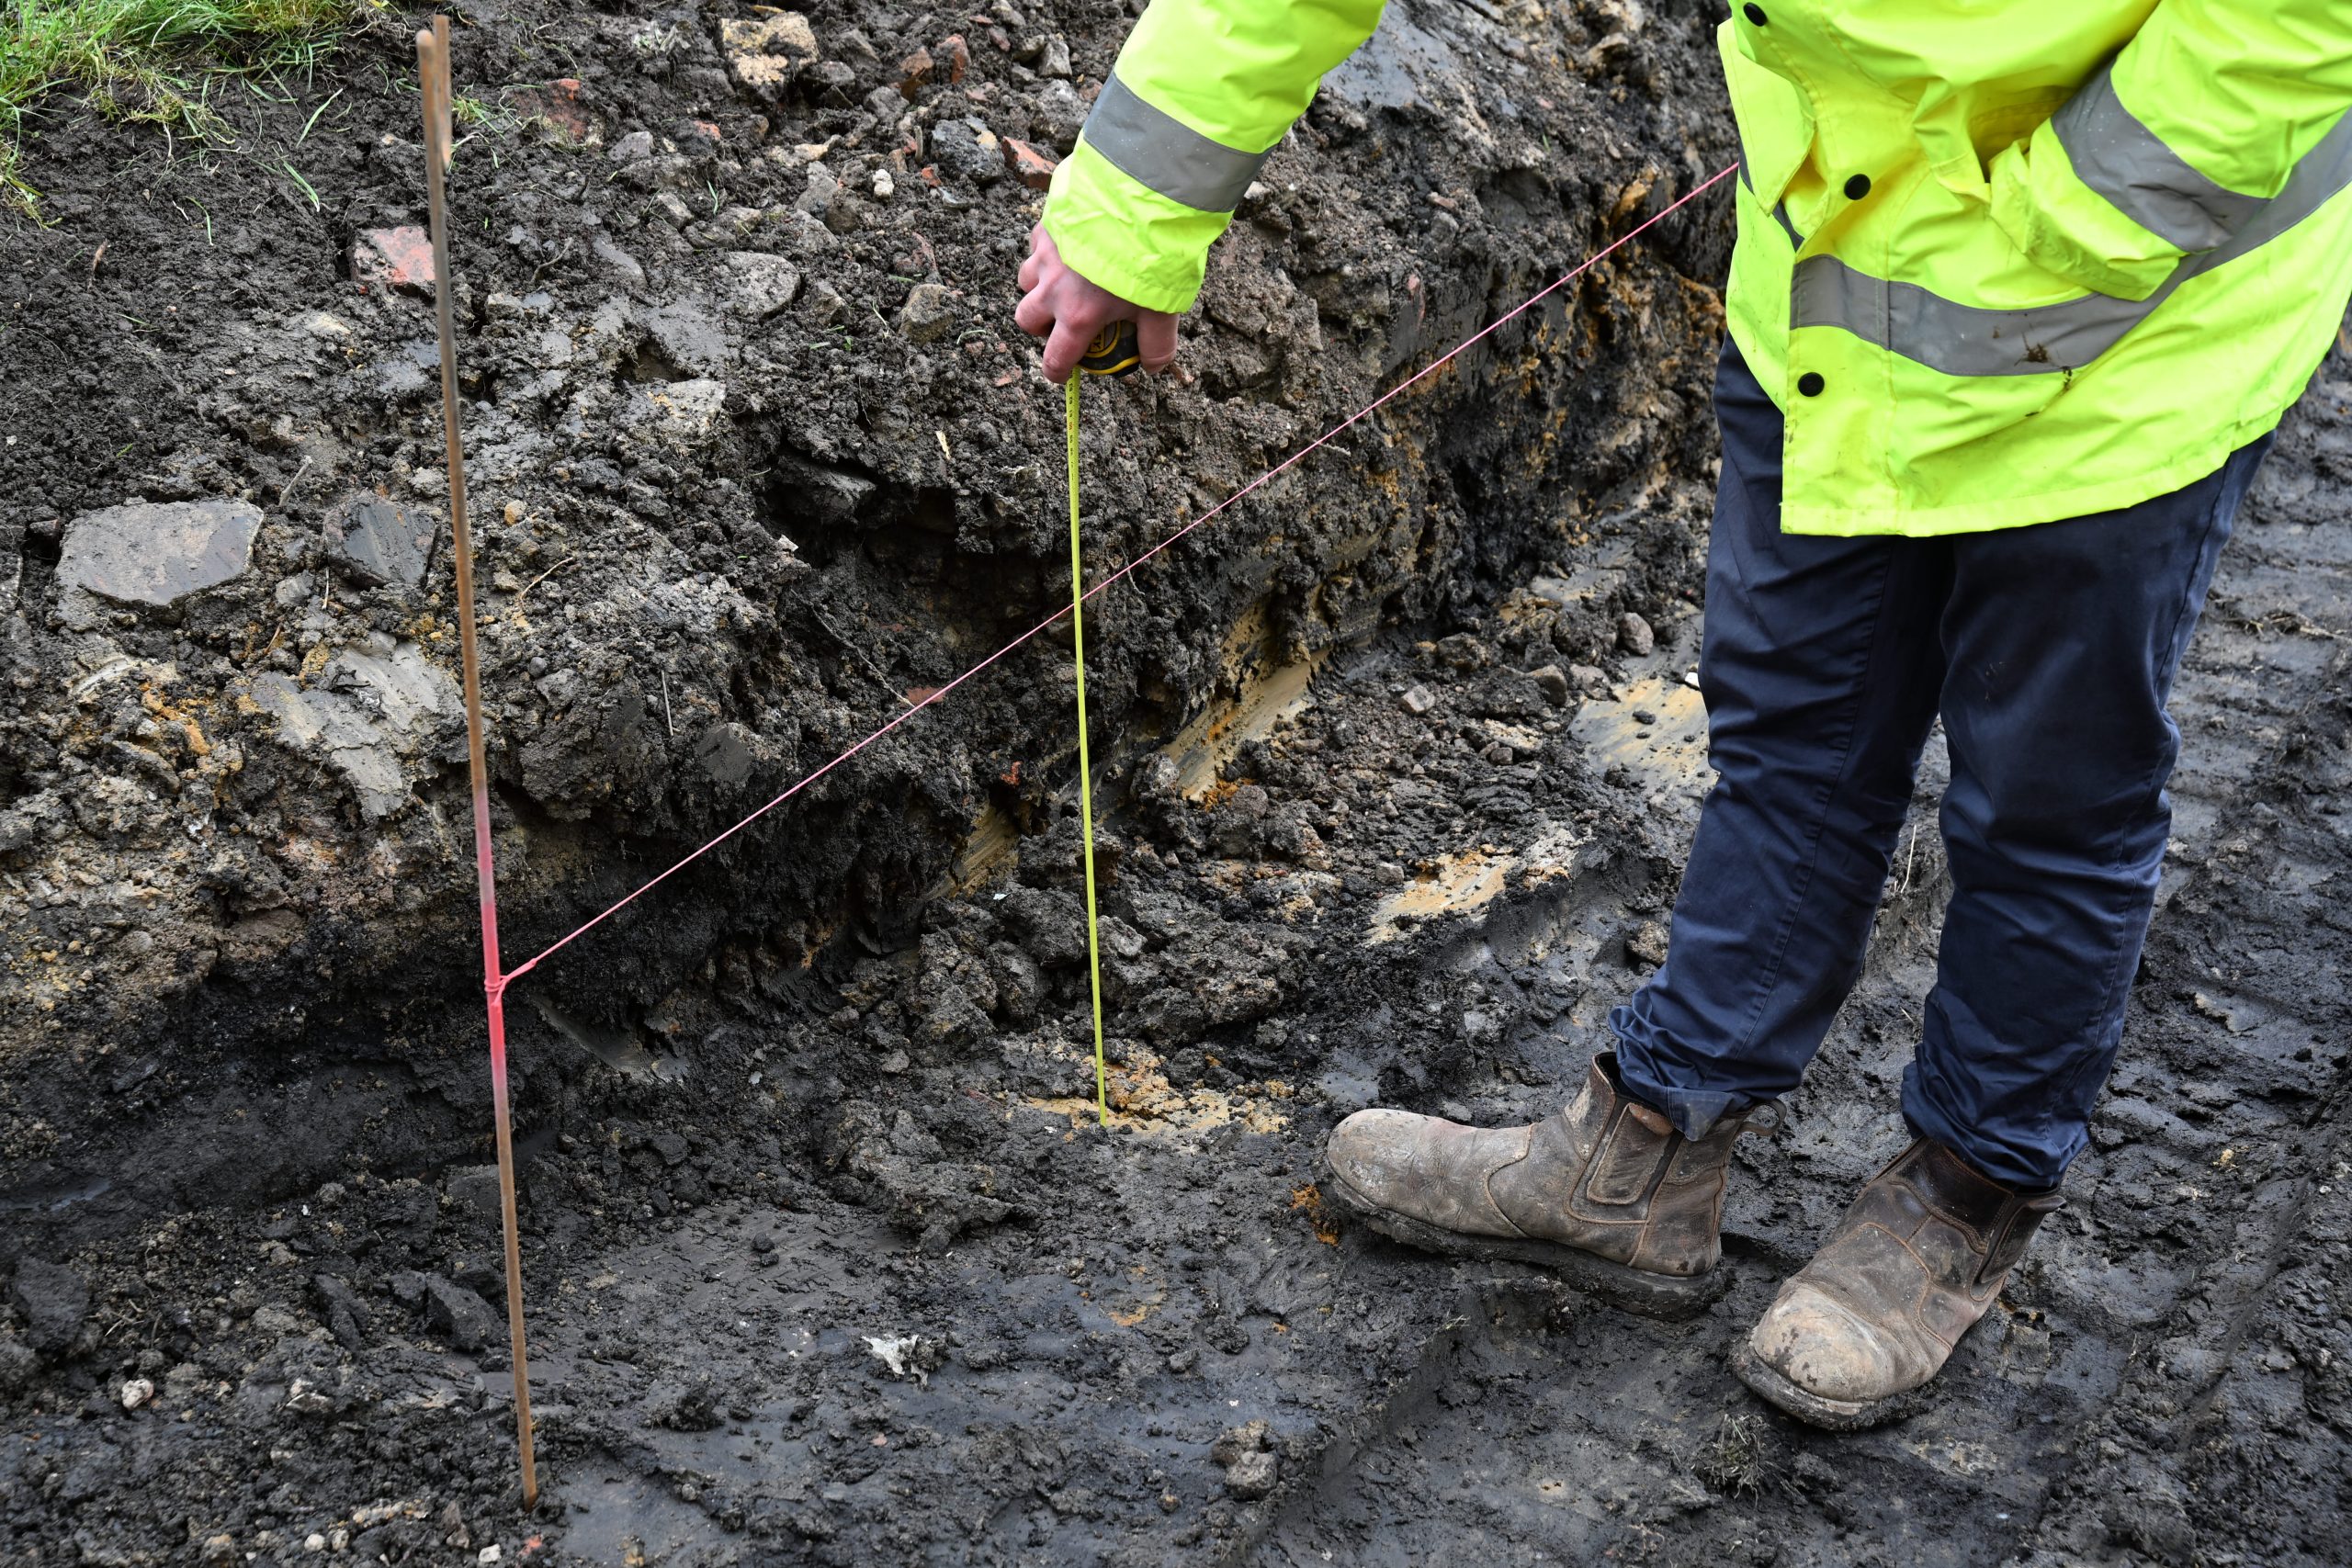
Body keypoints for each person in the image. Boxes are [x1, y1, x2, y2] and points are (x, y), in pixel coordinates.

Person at [1014, 0, 2352, 1429]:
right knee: (1796, 737)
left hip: (2130, 330)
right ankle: (1649, 1148)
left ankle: (1965, 1191)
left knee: (2047, 800)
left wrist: (2059, 231)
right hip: (1839, 285)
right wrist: (1133, 212)